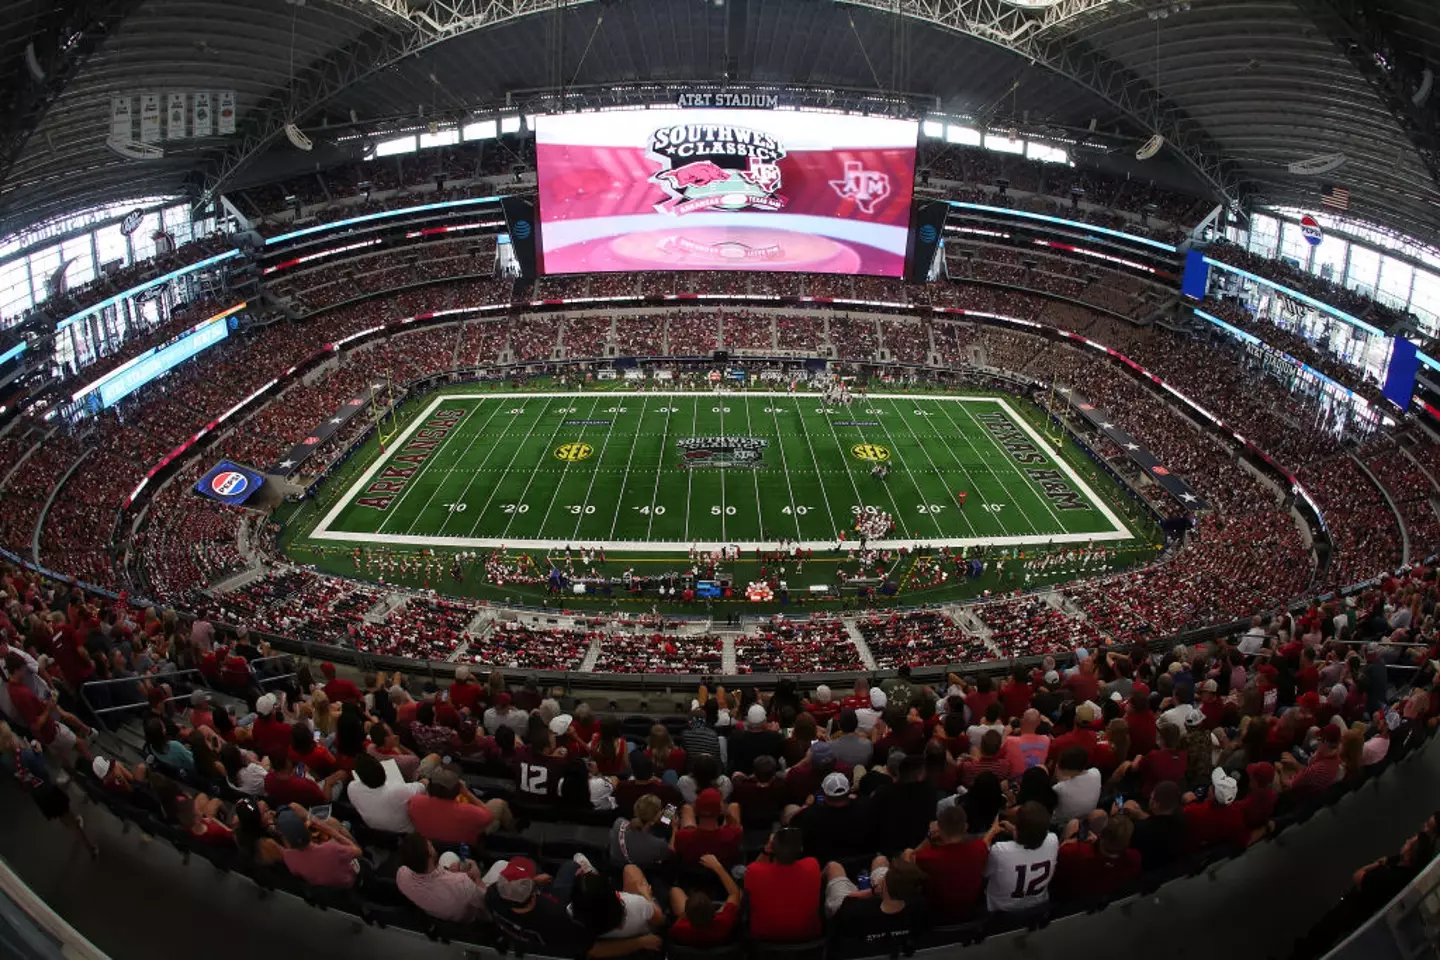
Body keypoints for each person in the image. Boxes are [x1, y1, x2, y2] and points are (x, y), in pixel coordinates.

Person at [907, 804, 988, 920]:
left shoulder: (925, 857)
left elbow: (907, 862)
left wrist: (928, 838)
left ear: (939, 828)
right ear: (965, 827)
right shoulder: (980, 848)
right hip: (970, 913)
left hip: (937, 916)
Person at [745, 827, 823, 942]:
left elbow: (751, 872)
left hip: (763, 942)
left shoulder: (754, 871)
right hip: (808, 939)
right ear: (800, 849)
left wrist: (766, 851)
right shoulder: (812, 865)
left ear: (772, 848)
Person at [824, 855, 927, 943]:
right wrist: (875, 891)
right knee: (880, 860)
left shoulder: (854, 912)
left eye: (885, 877)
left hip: (852, 921)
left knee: (833, 866)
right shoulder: (920, 907)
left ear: (883, 888)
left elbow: (842, 910)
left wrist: (866, 893)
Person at [983, 801, 1059, 914]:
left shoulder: (1000, 850)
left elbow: (983, 872)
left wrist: (992, 831)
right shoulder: (1053, 840)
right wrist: (1014, 829)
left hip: (1002, 911)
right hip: (1038, 907)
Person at [395, 832, 490, 922]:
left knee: (447, 855)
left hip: (437, 910)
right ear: (430, 854)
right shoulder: (462, 882)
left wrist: (448, 872)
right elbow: (485, 902)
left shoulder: (401, 875)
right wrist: (477, 878)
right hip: (466, 920)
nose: (432, 844)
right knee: (500, 864)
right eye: (430, 845)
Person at [408, 767, 514, 844]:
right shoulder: (468, 811)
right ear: (458, 790)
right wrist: (467, 793)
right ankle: (513, 831)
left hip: (433, 843)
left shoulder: (415, 802)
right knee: (499, 804)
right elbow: (488, 816)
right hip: (466, 842)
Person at [789, 771, 875, 865]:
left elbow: (792, 825)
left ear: (824, 795)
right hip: (862, 862)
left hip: (823, 866)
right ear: (849, 791)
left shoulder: (809, 815)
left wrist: (805, 805)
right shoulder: (867, 806)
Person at [1052, 815, 1141, 900]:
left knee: (1073, 823)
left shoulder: (1071, 853)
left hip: (1069, 900)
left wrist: (1068, 840)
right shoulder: (1134, 858)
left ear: (1101, 834)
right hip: (1102, 896)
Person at [275, 805, 364, 888]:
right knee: (343, 826)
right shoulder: (331, 848)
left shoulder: (288, 858)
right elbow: (358, 852)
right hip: (349, 883)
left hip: (328, 890)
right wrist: (332, 831)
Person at [569, 866, 665, 942]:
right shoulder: (637, 903)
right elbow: (660, 920)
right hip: (644, 929)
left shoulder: (572, 914)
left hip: (612, 934)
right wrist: (647, 895)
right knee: (630, 868)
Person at [669, 853, 742, 946]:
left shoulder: (679, 930)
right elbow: (735, 893)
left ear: (686, 916)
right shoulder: (725, 922)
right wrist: (717, 867)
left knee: (674, 890)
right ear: (714, 912)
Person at [348, 751, 425, 833]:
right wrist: (425, 780)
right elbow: (422, 787)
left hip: (378, 831)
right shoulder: (396, 790)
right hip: (407, 832)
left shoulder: (351, 788)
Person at [1124, 781, 1187, 870]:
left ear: (1156, 804)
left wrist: (1117, 816)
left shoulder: (1141, 830)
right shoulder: (1182, 820)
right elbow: (1159, 821)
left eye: (1151, 797)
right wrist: (1141, 814)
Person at [1182, 767, 1247, 851]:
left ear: (1212, 793)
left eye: (1212, 785)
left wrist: (1187, 800)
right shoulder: (1237, 815)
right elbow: (1243, 840)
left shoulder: (1193, 811)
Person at [674, 787, 743, 865]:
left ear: (696, 810)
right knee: (734, 806)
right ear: (721, 811)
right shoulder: (732, 835)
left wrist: (675, 827)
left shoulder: (681, 836)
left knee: (687, 808)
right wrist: (727, 814)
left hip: (691, 874)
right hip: (722, 874)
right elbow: (736, 827)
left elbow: (674, 849)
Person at [608, 794, 674, 869]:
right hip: (642, 871)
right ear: (654, 819)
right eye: (661, 809)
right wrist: (675, 828)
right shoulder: (658, 844)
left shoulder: (619, 822)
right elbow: (671, 854)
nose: (663, 811)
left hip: (617, 864)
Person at [1052, 747, 1103, 824]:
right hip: (1085, 819)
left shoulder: (1059, 788)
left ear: (1066, 769)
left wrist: (1059, 778)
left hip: (1059, 823)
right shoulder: (1096, 773)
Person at [730, 704, 785, 774]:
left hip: (744, 778)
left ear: (748, 722)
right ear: (765, 722)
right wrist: (774, 733)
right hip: (767, 776)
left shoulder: (735, 737)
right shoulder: (775, 737)